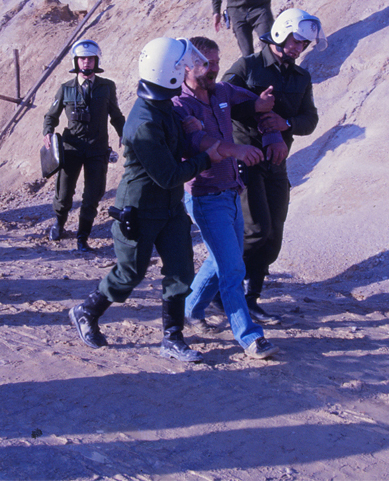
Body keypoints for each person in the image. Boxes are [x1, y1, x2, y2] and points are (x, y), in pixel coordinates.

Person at [69, 37, 222, 363]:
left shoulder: (164, 106)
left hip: (169, 206)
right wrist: (207, 157)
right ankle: (87, 310)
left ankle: (172, 338)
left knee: (181, 272)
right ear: (168, 73)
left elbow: (175, 152)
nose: (186, 70)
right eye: (181, 67)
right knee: (129, 274)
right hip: (138, 209)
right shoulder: (144, 122)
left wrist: (190, 129)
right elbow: (168, 174)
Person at [173, 36, 284, 359]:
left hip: (232, 191)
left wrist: (268, 118)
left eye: (217, 61)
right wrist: (237, 149)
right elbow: (200, 141)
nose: (214, 68)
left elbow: (258, 108)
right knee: (233, 267)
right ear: (187, 66)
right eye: (207, 63)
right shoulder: (180, 105)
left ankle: (190, 309)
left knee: (219, 259)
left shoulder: (222, 91)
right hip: (205, 196)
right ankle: (249, 336)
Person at [221, 8, 327, 323]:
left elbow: (310, 120)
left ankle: (251, 299)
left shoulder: (301, 77)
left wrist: (286, 122)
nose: (298, 48)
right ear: (281, 33)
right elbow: (219, 104)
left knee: (274, 235)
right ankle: (219, 291)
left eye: (304, 45)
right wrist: (254, 106)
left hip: (277, 162)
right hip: (246, 160)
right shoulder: (247, 67)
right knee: (255, 230)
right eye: (296, 41)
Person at [43, 39, 125, 251]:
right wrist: (48, 133)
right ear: (76, 61)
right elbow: (51, 116)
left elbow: (115, 114)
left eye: (90, 59)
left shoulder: (107, 87)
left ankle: (82, 236)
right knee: (64, 193)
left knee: (92, 195)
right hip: (71, 148)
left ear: (96, 60)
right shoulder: (65, 89)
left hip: (97, 149)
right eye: (82, 59)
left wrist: (124, 134)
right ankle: (59, 224)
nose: (86, 63)